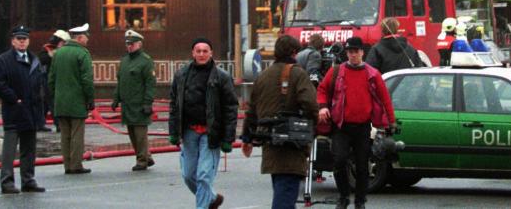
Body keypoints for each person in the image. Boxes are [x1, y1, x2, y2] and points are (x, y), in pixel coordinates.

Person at [316, 36, 395, 209]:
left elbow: (385, 99)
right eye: (349, 52)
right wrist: (322, 107)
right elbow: (322, 89)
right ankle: (343, 197)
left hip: (362, 127)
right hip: (341, 126)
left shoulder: (372, 74)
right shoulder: (336, 71)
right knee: (339, 161)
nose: (352, 55)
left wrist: (391, 122)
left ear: (362, 52)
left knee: (361, 166)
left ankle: (360, 201)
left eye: (356, 51)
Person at [241, 35, 318, 209]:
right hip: (292, 144)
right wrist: (311, 127)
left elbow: (252, 110)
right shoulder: (298, 73)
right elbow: (310, 104)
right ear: (294, 52)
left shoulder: (263, 75)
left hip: (270, 143)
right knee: (285, 196)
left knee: (283, 191)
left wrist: (247, 138)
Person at [168, 37, 238, 209]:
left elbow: (231, 108)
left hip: (211, 133)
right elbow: (174, 105)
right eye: (198, 51)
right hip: (189, 131)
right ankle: (212, 199)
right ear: (193, 53)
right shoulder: (181, 75)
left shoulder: (222, 77)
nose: (201, 54)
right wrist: (173, 132)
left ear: (211, 53)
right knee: (188, 174)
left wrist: (228, 139)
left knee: (204, 176)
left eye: (205, 51)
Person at [0, 24, 47, 194]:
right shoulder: (4, 60)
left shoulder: (33, 59)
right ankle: (7, 182)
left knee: (29, 149)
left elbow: (39, 85)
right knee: (9, 149)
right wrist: (14, 99)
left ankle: (28, 180)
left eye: (25, 39)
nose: (22, 42)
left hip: (31, 111)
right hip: (14, 111)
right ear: (13, 41)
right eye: (19, 39)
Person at [48, 22, 95, 174]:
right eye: (86, 37)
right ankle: (76, 165)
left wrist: (56, 96)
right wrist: (90, 100)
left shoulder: (58, 53)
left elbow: (51, 79)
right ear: (80, 38)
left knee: (65, 135)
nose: (87, 40)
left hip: (60, 102)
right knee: (76, 135)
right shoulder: (83, 54)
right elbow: (87, 80)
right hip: (77, 101)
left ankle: (67, 165)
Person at [111, 29, 157, 171]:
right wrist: (116, 99)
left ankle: (142, 160)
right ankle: (146, 156)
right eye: (127, 44)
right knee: (132, 133)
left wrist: (148, 102)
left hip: (139, 104)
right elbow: (120, 81)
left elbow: (150, 83)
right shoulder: (124, 61)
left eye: (132, 44)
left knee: (140, 134)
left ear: (139, 44)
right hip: (127, 105)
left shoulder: (145, 61)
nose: (129, 46)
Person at [37, 29, 69, 127]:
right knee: (51, 101)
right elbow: (42, 60)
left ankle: (39, 124)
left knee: (46, 103)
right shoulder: (47, 49)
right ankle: (58, 124)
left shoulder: (64, 50)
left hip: (57, 79)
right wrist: (52, 54)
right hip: (47, 78)